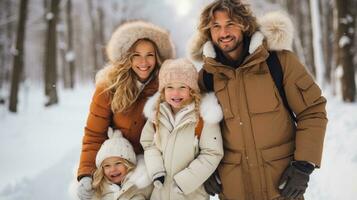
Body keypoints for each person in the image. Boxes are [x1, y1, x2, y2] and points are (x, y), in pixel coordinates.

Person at [189, 0, 328, 200]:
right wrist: (204, 169)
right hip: (234, 189)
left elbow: (312, 111)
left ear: (244, 25)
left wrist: (303, 165)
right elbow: (196, 129)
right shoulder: (207, 77)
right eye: (216, 27)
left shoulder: (279, 62)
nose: (224, 33)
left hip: (281, 186)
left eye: (230, 24)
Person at [76, 20, 175, 200]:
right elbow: (94, 134)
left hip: (156, 169)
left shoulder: (168, 86)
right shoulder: (108, 87)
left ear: (158, 57)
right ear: (126, 57)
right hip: (117, 168)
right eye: (136, 55)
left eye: (149, 55)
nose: (143, 62)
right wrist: (86, 173)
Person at [140, 58, 224, 200]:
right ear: (163, 90)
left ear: (192, 90)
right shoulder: (157, 115)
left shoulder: (203, 118)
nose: (176, 93)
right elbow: (149, 144)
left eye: (182, 87)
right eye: (170, 87)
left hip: (190, 194)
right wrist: (156, 170)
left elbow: (212, 153)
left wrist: (185, 181)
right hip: (159, 193)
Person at [90, 128, 152, 199]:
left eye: (118, 163)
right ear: (102, 169)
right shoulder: (99, 190)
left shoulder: (140, 184)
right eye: (107, 165)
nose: (113, 169)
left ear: (128, 164)